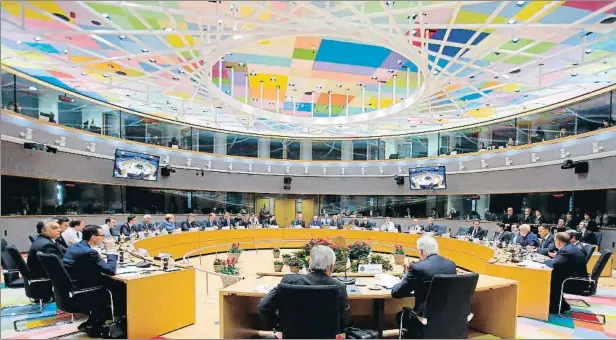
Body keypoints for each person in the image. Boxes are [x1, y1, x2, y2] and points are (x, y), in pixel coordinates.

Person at [257, 245, 350, 334]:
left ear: (309, 262)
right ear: (331, 267)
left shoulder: (289, 280)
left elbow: (264, 306)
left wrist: (277, 324)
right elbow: (344, 322)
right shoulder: (339, 287)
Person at [63, 225, 125, 336]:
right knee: (122, 286)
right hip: (86, 290)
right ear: (94, 237)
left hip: (74, 286)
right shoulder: (89, 252)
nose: (104, 238)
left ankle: (95, 322)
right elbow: (111, 270)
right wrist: (111, 251)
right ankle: (121, 321)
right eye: (103, 236)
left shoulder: (75, 247)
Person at [392, 235, 456, 339]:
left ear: (421, 251)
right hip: (447, 320)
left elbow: (397, 293)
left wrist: (406, 275)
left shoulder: (418, 268)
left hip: (423, 320)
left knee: (400, 316)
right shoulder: (451, 265)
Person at [544, 232, 588, 314]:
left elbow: (554, 264)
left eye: (554, 241)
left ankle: (556, 307)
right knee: (554, 276)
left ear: (558, 242)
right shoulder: (569, 247)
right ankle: (563, 305)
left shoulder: (566, 250)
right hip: (576, 278)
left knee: (550, 280)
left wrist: (545, 261)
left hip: (575, 282)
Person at [27, 219, 64, 289]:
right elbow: (59, 267)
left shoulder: (45, 240)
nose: (59, 230)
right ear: (43, 230)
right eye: (54, 228)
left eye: (59, 227)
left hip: (44, 277)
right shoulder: (46, 246)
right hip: (46, 282)